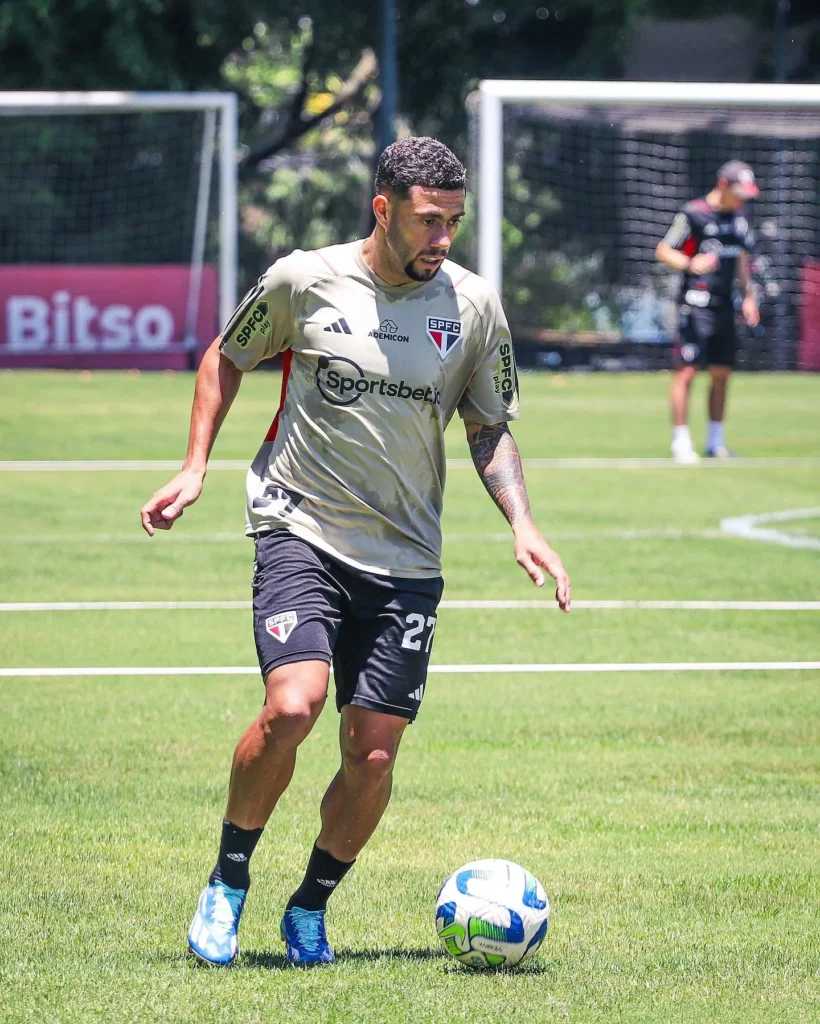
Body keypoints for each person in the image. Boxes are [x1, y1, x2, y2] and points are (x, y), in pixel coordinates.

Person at [140, 136, 571, 968]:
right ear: (383, 209)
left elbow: (489, 426)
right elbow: (226, 355)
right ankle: (228, 881)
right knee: (293, 706)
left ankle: (309, 906)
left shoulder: (475, 306)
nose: (442, 237)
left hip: (406, 557)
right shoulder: (305, 279)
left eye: (453, 221)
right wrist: (195, 466)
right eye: (428, 220)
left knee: (372, 754)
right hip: (299, 526)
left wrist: (523, 523)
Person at [655, 160, 760, 463]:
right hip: (695, 304)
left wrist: (748, 296)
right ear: (723, 185)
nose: (742, 199)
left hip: (725, 305)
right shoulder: (693, 213)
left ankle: (716, 442)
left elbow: (741, 258)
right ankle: (681, 442)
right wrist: (690, 264)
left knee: (722, 373)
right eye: (738, 192)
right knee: (686, 371)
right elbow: (663, 250)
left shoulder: (740, 216)